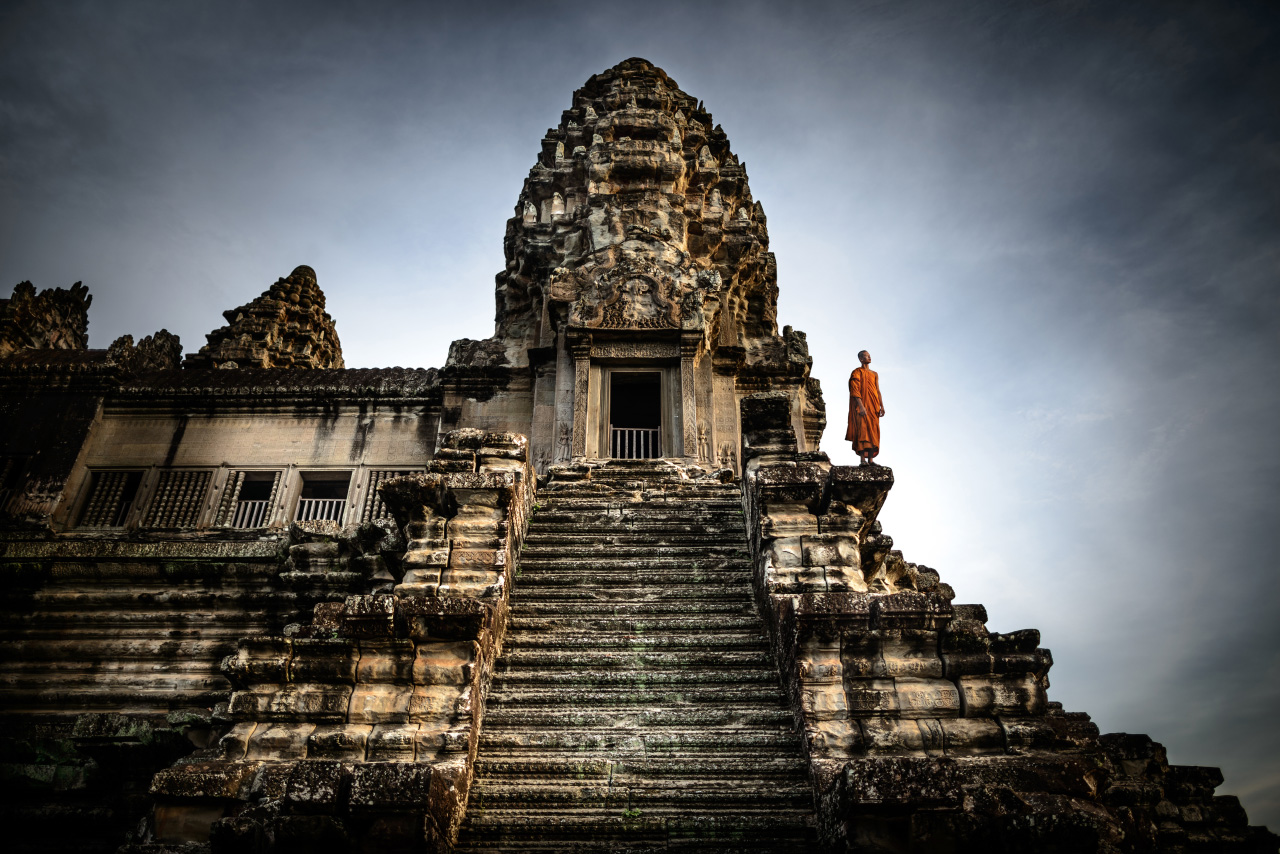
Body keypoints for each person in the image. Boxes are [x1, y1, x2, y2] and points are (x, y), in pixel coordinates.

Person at [846, 350, 885, 466]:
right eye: (866, 356)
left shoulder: (874, 374)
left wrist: (882, 405)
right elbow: (855, 390)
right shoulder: (857, 372)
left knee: (873, 431)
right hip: (862, 406)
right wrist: (861, 406)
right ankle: (863, 460)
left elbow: (877, 390)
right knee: (863, 430)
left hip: (874, 407)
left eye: (869, 355)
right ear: (861, 359)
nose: (869, 357)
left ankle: (871, 460)